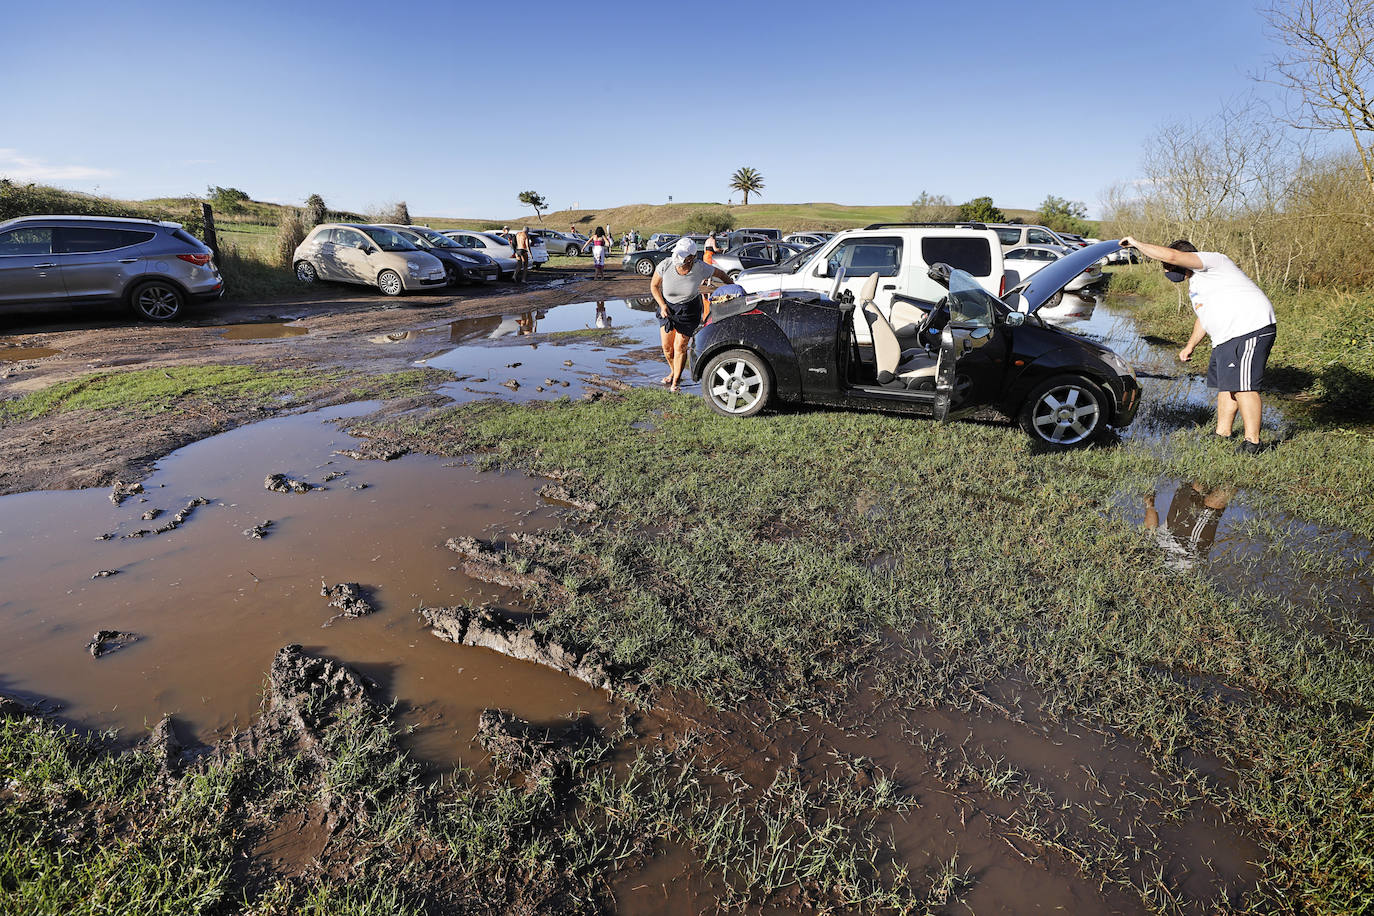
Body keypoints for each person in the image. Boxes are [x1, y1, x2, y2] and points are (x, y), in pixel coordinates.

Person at [1121, 237, 1277, 453]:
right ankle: (1222, 434)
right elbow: (1203, 317)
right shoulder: (1196, 284)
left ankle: (1253, 443)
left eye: (1167, 265)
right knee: (1227, 387)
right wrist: (1190, 346)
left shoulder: (1213, 262)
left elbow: (1172, 255)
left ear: (1182, 260)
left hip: (1249, 328)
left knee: (1244, 387)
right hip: (1225, 338)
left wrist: (1136, 244)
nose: (1166, 270)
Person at [650, 237, 733, 391]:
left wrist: (735, 287)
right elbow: (654, 286)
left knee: (680, 346)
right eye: (677, 253)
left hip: (689, 309)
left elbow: (721, 274)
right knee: (667, 348)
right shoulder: (666, 264)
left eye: (682, 255)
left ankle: (675, 381)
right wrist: (662, 305)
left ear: (691, 258)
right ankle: (673, 371)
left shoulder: (700, 267)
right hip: (667, 308)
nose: (677, 257)